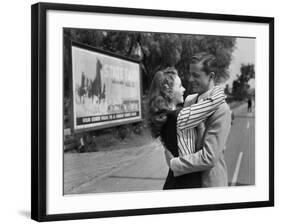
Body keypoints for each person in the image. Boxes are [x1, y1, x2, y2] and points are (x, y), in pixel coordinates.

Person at [147, 67, 226, 189]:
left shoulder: (165, 117)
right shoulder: (179, 117)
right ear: (168, 89)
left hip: (175, 181)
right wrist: (216, 88)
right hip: (186, 184)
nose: (184, 89)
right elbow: (213, 102)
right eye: (180, 86)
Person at [165, 52, 232, 187]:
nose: (190, 79)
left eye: (196, 75)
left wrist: (174, 163)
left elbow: (209, 157)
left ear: (211, 76)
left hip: (208, 185)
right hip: (187, 180)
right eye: (190, 74)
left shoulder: (221, 110)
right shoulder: (189, 100)